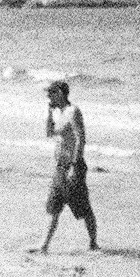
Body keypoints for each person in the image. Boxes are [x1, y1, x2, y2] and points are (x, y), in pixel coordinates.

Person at [33, 80, 98, 253]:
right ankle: (44, 245)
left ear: (60, 93)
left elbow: (81, 139)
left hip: (73, 166)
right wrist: (49, 113)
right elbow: (49, 133)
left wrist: (74, 166)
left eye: (51, 93)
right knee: (54, 205)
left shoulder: (73, 111)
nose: (48, 96)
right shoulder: (60, 114)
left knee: (83, 207)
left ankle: (93, 243)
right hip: (60, 167)